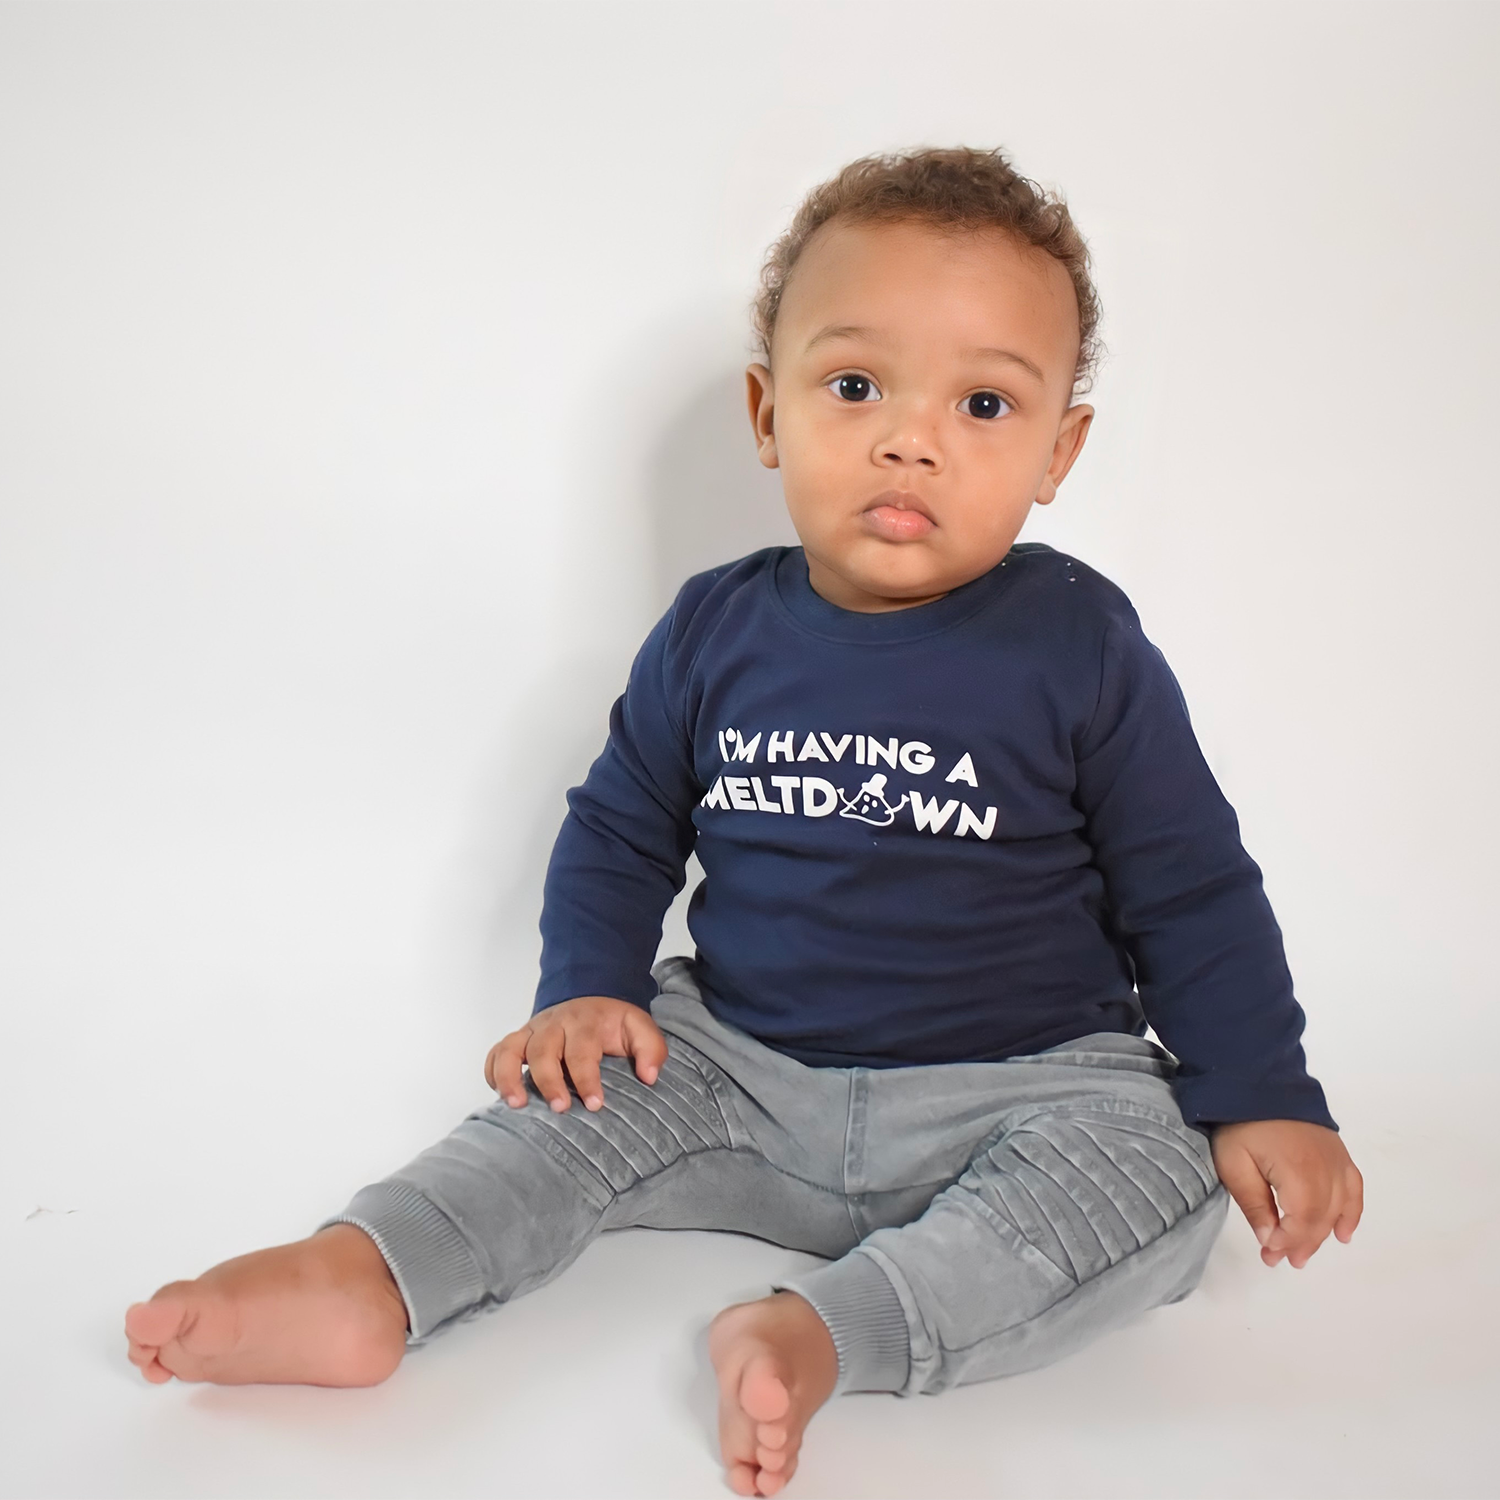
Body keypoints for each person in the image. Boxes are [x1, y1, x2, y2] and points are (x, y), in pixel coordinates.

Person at [124, 147, 1364, 1497]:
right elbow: (621, 826)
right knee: (557, 1115)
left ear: (1059, 449)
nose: (912, 436)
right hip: (738, 1071)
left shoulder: (1081, 645)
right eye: (855, 385)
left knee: (1164, 1178)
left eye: (987, 402)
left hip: (1022, 1086)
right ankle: (371, 1272)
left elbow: (1189, 887)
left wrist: (1263, 1096)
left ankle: (826, 1332)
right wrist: (589, 991)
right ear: (770, 413)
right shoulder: (718, 626)